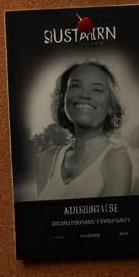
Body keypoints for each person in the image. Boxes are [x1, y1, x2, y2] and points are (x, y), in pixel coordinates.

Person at [35, 60, 132, 200]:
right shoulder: (47, 159)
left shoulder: (117, 159)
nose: (85, 94)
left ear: (111, 106)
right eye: (75, 86)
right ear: (63, 100)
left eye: (97, 89)